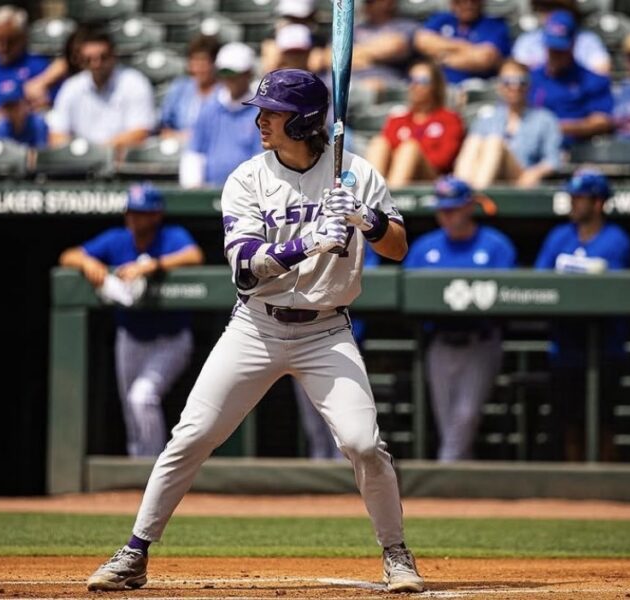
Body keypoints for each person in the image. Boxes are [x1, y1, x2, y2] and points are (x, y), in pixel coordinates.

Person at [85, 69, 425, 593]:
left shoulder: (357, 173)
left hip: (325, 331)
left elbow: (399, 247)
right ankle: (134, 552)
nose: (261, 119)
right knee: (192, 435)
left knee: (363, 443)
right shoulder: (247, 178)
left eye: (272, 111)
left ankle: (397, 555)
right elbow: (244, 267)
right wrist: (308, 242)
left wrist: (365, 217)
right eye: (260, 110)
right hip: (256, 326)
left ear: (306, 121)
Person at [58, 184, 204, 457]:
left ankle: (152, 468)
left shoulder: (171, 236)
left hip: (170, 339)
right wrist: (87, 263)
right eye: (131, 212)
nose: (134, 218)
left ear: (156, 215)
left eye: (141, 213)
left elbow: (194, 256)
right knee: (131, 409)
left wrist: (154, 265)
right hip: (131, 338)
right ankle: (137, 469)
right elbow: (68, 255)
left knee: (142, 398)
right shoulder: (117, 239)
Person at [404, 176, 515, 461]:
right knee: (448, 421)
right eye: (442, 209)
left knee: (466, 416)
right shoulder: (424, 247)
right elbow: (405, 292)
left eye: (453, 208)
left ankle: (443, 473)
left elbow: (509, 296)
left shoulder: (495, 245)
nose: (446, 215)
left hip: (480, 341)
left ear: (469, 207)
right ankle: (460, 489)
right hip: (440, 342)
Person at [534, 170, 630, 461]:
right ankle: (574, 491)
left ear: (598, 202)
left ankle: (606, 488)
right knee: (568, 420)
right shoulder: (559, 236)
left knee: (604, 420)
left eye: (580, 198)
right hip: (566, 343)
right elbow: (540, 278)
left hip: (606, 344)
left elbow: (614, 288)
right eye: (572, 197)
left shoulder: (616, 239)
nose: (573, 204)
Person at [292, 245, 381, 460]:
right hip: (301, 338)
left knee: (344, 425)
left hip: (343, 342)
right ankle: (321, 483)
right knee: (314, 427)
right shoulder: (297, 230)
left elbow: (364, 276)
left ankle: (345, 480)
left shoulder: (355, 235)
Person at [453, 59, 562, 189]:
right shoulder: (487, 118)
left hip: (521, 176)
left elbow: (553, 160)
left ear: (528, 85)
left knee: (495, 142)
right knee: (475, 140)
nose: (514, 87)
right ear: (499, 85)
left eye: (521, 81)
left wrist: (536, 173)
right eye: (507, 82)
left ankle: (475, 196)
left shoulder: (544, 119)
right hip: (486, 175)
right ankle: (460, 191)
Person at [46, 31, 155, 152]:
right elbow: (57, 135)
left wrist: (97, 153)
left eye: (103, 57)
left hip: (121, 160)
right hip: (80, 162)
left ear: (114, 55)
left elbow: (140, 133)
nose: (96, 64)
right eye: (89, 59)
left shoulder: (135, 83)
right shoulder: (71, 87)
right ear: (81, 60)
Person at [366, 60, 464, 187]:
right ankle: (369, 193)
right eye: (411, 80)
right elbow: (387, 150)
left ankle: (391, 198)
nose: (415, 85)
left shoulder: (449, 119)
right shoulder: (398, 119)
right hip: (395, 171)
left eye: (422, 81)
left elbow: (444, 161)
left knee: (410, 148)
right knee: (379, 143)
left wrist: (414, 154)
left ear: (435, 86)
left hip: (432, 179)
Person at [179, 43, 263, 188]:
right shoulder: (209, 109)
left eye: (234, 73)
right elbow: (194, 152)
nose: (229, 79)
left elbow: (262, 159)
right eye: (224, 73)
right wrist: (195, 188)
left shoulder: (261, 112)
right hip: (209, 190)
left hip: (250, 194)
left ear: (248, 73)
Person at [527, 11, 614, 147]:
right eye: (551, 48)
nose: (555, 54)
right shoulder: (532, 78)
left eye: (560, 49)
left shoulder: (591, 80)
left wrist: (559, 128)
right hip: (534, 147)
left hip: (576, 149)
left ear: (573, 44)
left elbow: (602, 121)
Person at [413, 0, 511, 84]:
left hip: (476, 87)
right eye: (461, 1)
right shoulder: (442, 19)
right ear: (453, 3)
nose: (468, 5)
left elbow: (485, 58)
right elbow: (422, 41)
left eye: (473, 0)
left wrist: (442, 57)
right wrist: (467, 48)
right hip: (440, 87)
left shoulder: (494, 25)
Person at [511, 0, 610, 75]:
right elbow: (517, 75)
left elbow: (602, 72)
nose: (550, 14)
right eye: (544, 8)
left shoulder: (588, 41)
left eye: (556, 8)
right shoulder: (527, 41)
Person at [158, 35, 222, 140]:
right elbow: (164, 127)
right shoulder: (179, 89)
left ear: (214, 63)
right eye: (195, 62)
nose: (199, 69)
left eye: (204, 63)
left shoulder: (224, 92)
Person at [351, 0, 419, 90]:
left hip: (387, 83)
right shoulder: (354, 29)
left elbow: (394, 47)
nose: (366, 4)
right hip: (353, 83)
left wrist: (353, 55)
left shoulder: (404, 26)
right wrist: (373, 55)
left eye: (371, 1)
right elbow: (329, 57)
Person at [261, 0, 329, 74]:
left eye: (298, 18)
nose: (292, 22)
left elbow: (316, 65)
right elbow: (270, 67)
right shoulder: (272, 41)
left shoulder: (320, 43)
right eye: (288, 18)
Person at [0, 80, 49, 148]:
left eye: (15, 105)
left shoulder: (37, 124)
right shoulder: (1, 128)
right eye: (8, 107)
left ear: (24, 103)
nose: (12, 111)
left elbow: (41, 154)